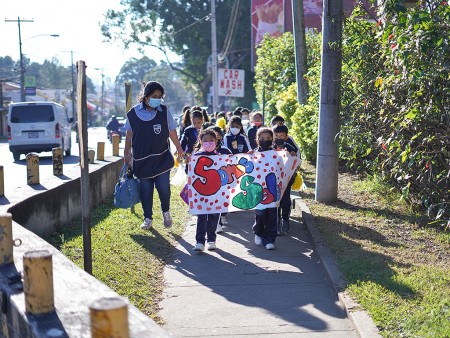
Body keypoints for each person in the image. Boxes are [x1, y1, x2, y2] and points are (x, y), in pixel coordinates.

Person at [123, 81, 184, 230]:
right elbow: (129, 134)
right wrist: (126, 153)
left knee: (163, 188)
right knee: (146, 190)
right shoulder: (132, 114)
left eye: (159, 96)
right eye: (154, 96)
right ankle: (148, 218)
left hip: (161, 158)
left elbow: (172, 131)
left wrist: (179, 148)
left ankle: (166, 213)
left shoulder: (164, 111)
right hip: (141, 160)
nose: (157, 99)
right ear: (145, 96)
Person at [192, 129, 225, 252]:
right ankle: (199, 241)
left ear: (217, 141)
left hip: (216, 193)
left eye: (211, 140)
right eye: (205, 141)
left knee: (214, 216)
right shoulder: (196, 156)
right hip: (201, 193)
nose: (209, 143)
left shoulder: (219, 157)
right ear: (200, 141)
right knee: (201, 216)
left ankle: (211, 240)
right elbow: (190, 173)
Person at [253, 127, 278, 250]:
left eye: (268, 138)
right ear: (257, 140)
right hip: (259, 191)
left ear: (272, 140)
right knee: (261, 214)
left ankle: (269, 239)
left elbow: (282, 169)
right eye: (262, 138)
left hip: (272, 190)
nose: (265, 140)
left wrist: (290, 156)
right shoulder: (252, 154)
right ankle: (258, 231)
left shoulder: (276, 154)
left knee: (272, 216)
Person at [273, 124, 300, 234]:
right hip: (274, 177)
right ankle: (277, 222)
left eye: (281, 135)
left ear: (286, 136)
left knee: (285, 200)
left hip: (287, 177)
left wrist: (292, 155)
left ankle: (285, 219)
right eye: (277, 135)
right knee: (276, 200)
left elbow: (297, 156)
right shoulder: (271, 144)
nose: (279, 137)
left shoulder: (290, 143)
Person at [207, 125, 232, 233]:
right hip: (210, 183)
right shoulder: (203, 151)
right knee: (212, 202)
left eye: (216, 138)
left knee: (222, 202)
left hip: (223, 182)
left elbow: (233, 162)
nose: (213, 141)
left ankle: (221, 216)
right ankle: (217, 224)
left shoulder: (225, 150)